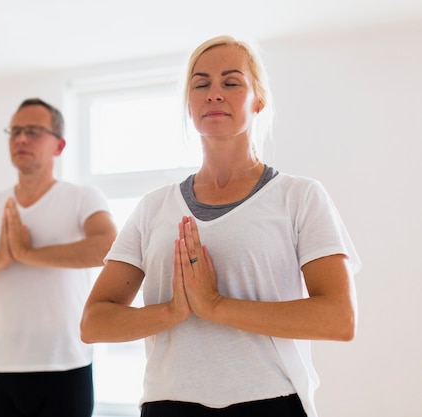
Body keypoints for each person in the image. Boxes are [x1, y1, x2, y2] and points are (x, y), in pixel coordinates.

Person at [80, 36, 360, 417]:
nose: (214, 94)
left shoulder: (300, 196)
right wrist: (173, 311)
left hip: (270, 401)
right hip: (168, 404)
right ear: (189, 103)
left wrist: (215, 305)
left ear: (258, 100)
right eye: (201, 84)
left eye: (231, 82)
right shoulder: (153, 208)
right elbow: (94, 322)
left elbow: (339, 318)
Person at [0, 97, 117, 417]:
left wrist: (29, 253)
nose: (21, 139)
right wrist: (0, 258)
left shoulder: (82, 197)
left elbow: (109, 247)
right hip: (2, 367)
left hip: (66, 363)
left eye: (33, 131)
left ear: (59, 145)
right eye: (14, 132)